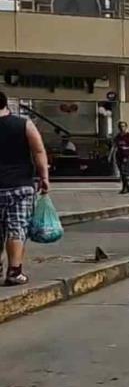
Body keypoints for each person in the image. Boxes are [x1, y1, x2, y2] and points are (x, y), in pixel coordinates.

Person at [0, 90, 50, 286]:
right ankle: (14, 272)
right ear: (5, 104)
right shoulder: (23, 124)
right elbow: (38, 150)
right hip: (20, 187)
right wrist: (44, 177)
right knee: (16, 228)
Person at [112, 121, 129, 194]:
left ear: (126, 127)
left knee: (123, 171)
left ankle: (125, 188)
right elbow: (114, 146)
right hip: (119, 155)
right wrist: (111, 155)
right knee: (122, 173)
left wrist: (127, 148)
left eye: (123, 126)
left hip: (126, 156)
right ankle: (127, 187)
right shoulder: (118, 136)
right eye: (121, 126)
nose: (122, 128)